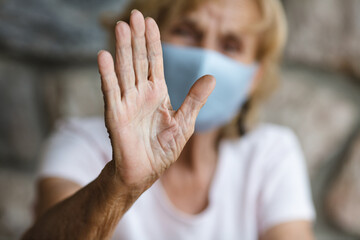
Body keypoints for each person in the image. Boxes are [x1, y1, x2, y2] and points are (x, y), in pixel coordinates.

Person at [22, 0, 315, 239]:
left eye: (230, 45)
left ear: (255, 76)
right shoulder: (80, 144)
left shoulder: (270, 154)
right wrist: (120, 185)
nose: (205, 58)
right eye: (187, 31)